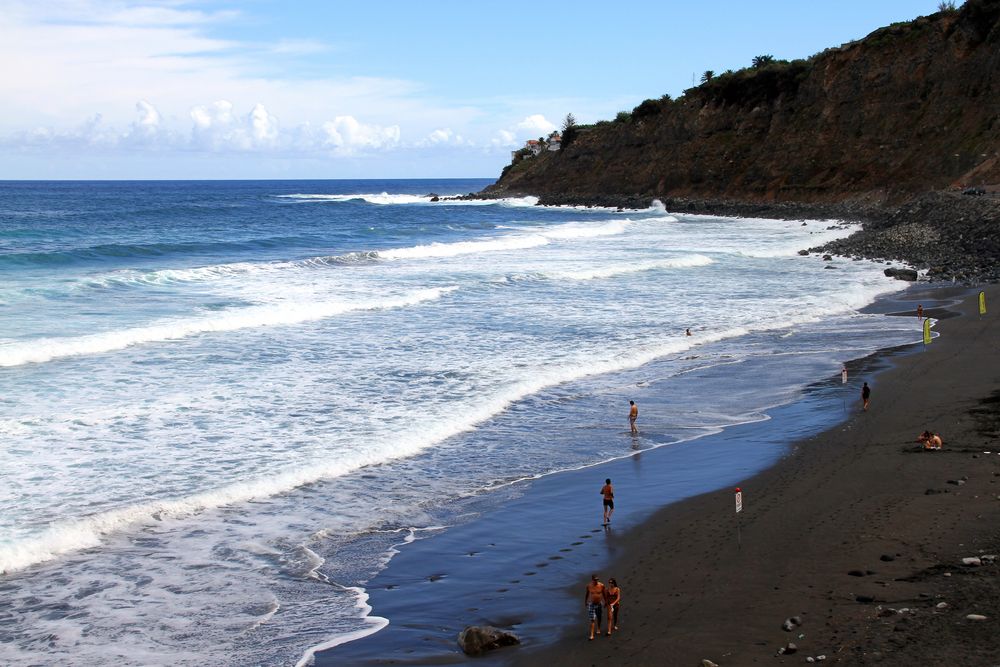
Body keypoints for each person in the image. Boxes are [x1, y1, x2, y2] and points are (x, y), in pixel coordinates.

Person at [584, 575, 605, 640]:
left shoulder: (601, 585)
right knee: (592, 619)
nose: (596, 581)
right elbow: (587, 594)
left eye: (597, 579)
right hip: (591, 604)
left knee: (599, 617)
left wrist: (606, 602)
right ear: (592, 579)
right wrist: (585, 601)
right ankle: (592, 635)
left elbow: (604, 594)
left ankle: (598, 628)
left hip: (599, 604)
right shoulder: (589, 586)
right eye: (595, 580)